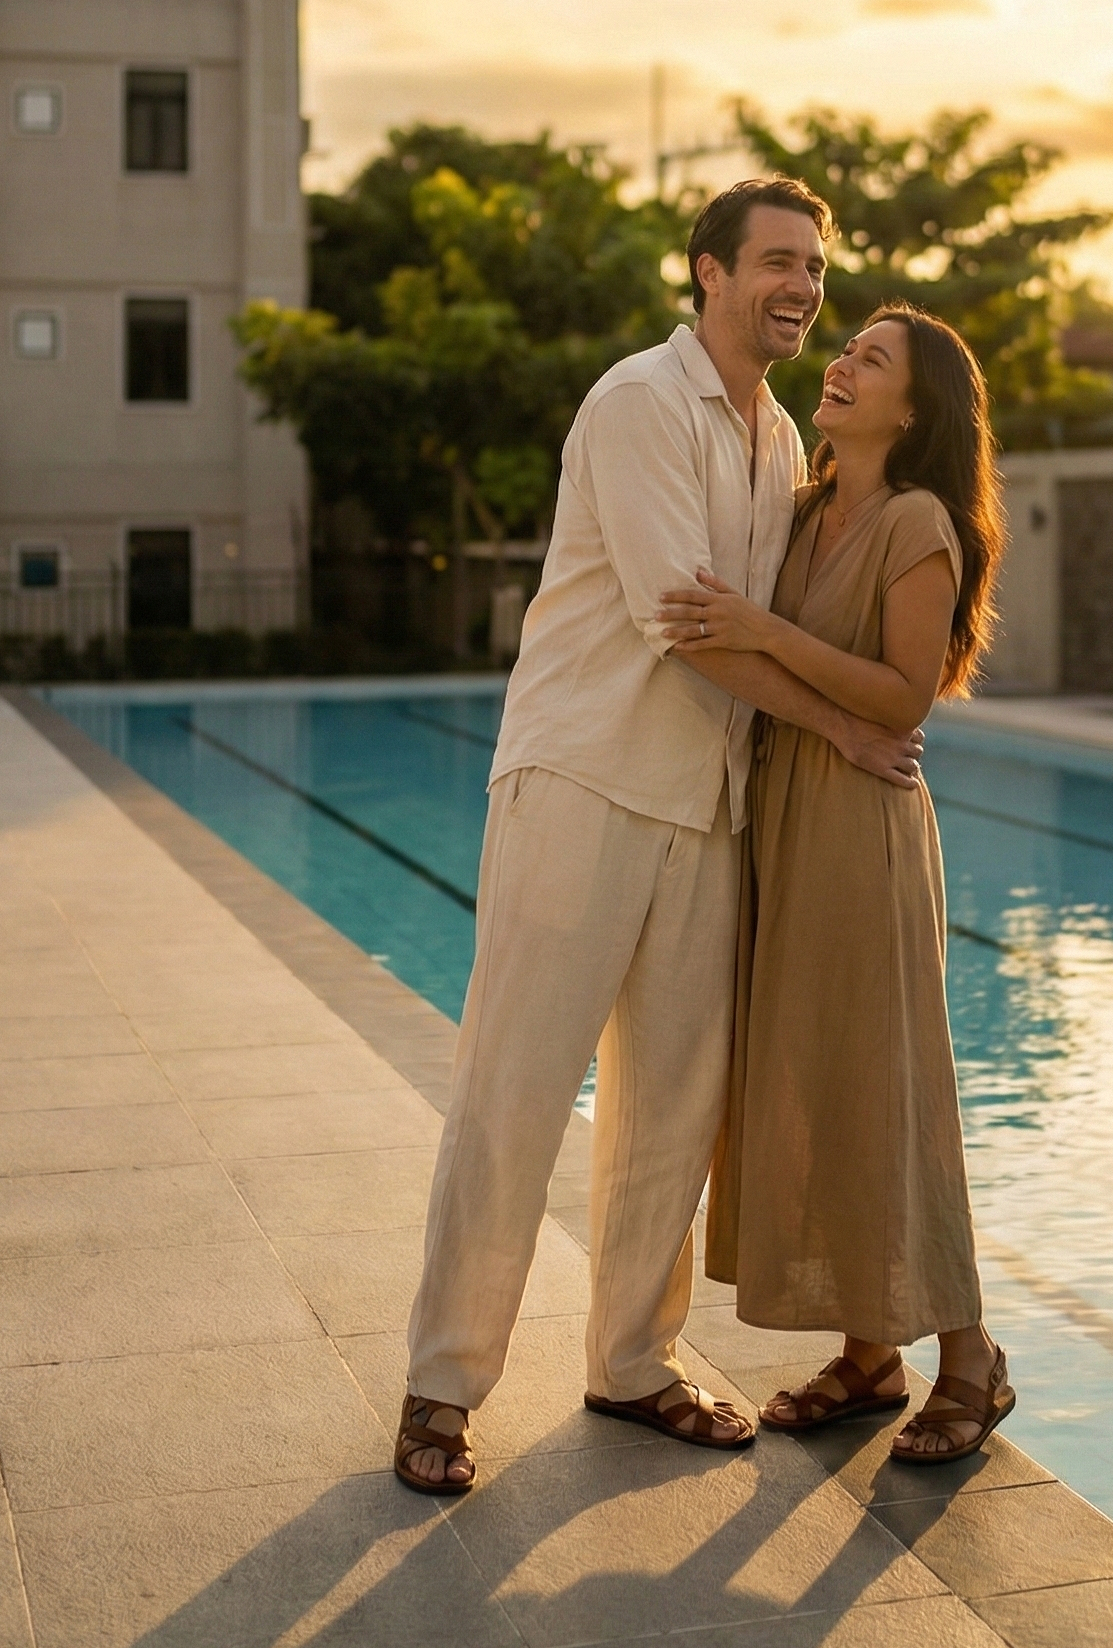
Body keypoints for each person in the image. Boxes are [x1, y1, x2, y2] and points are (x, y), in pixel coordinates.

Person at [395, 180, 925, 1493]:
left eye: (815, 268)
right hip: (585, 780)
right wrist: (845, 727)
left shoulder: (781, 439)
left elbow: (768, 625)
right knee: (516, 1090)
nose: (803, 288)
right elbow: (685, 626)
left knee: (673, 1110)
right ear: (710, 273)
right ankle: (441, 1390)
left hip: (710, 803)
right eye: (778, 262)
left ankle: (633, 1361)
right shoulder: (640, 402)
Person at [660, 302, 1016, 1465]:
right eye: (849, 347)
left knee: (889, 1089)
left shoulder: (917, 522)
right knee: (824, 1086)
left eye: (874, 359)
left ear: (914, 411)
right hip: (787, 820)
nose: (844, 363)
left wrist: (760, 629)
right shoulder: (805, 510)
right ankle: (870, 1356)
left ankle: (972, 1358)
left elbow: (904, 696)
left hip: (863, 824)